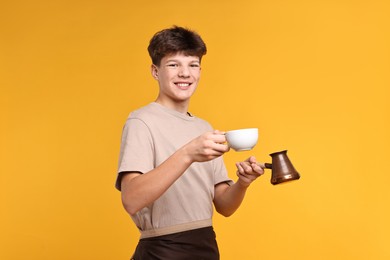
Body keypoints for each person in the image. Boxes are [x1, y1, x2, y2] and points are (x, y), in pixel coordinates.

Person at [116, 25, 264, 260]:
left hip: (206, 246)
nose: (185, 73)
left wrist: (243, 183)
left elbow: (225, 206)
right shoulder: (141, 121)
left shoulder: (203, 129)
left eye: (192, 65)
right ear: (155, 71)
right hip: (162, 250)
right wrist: (188, 154)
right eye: (174, 65)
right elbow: (131, 200)